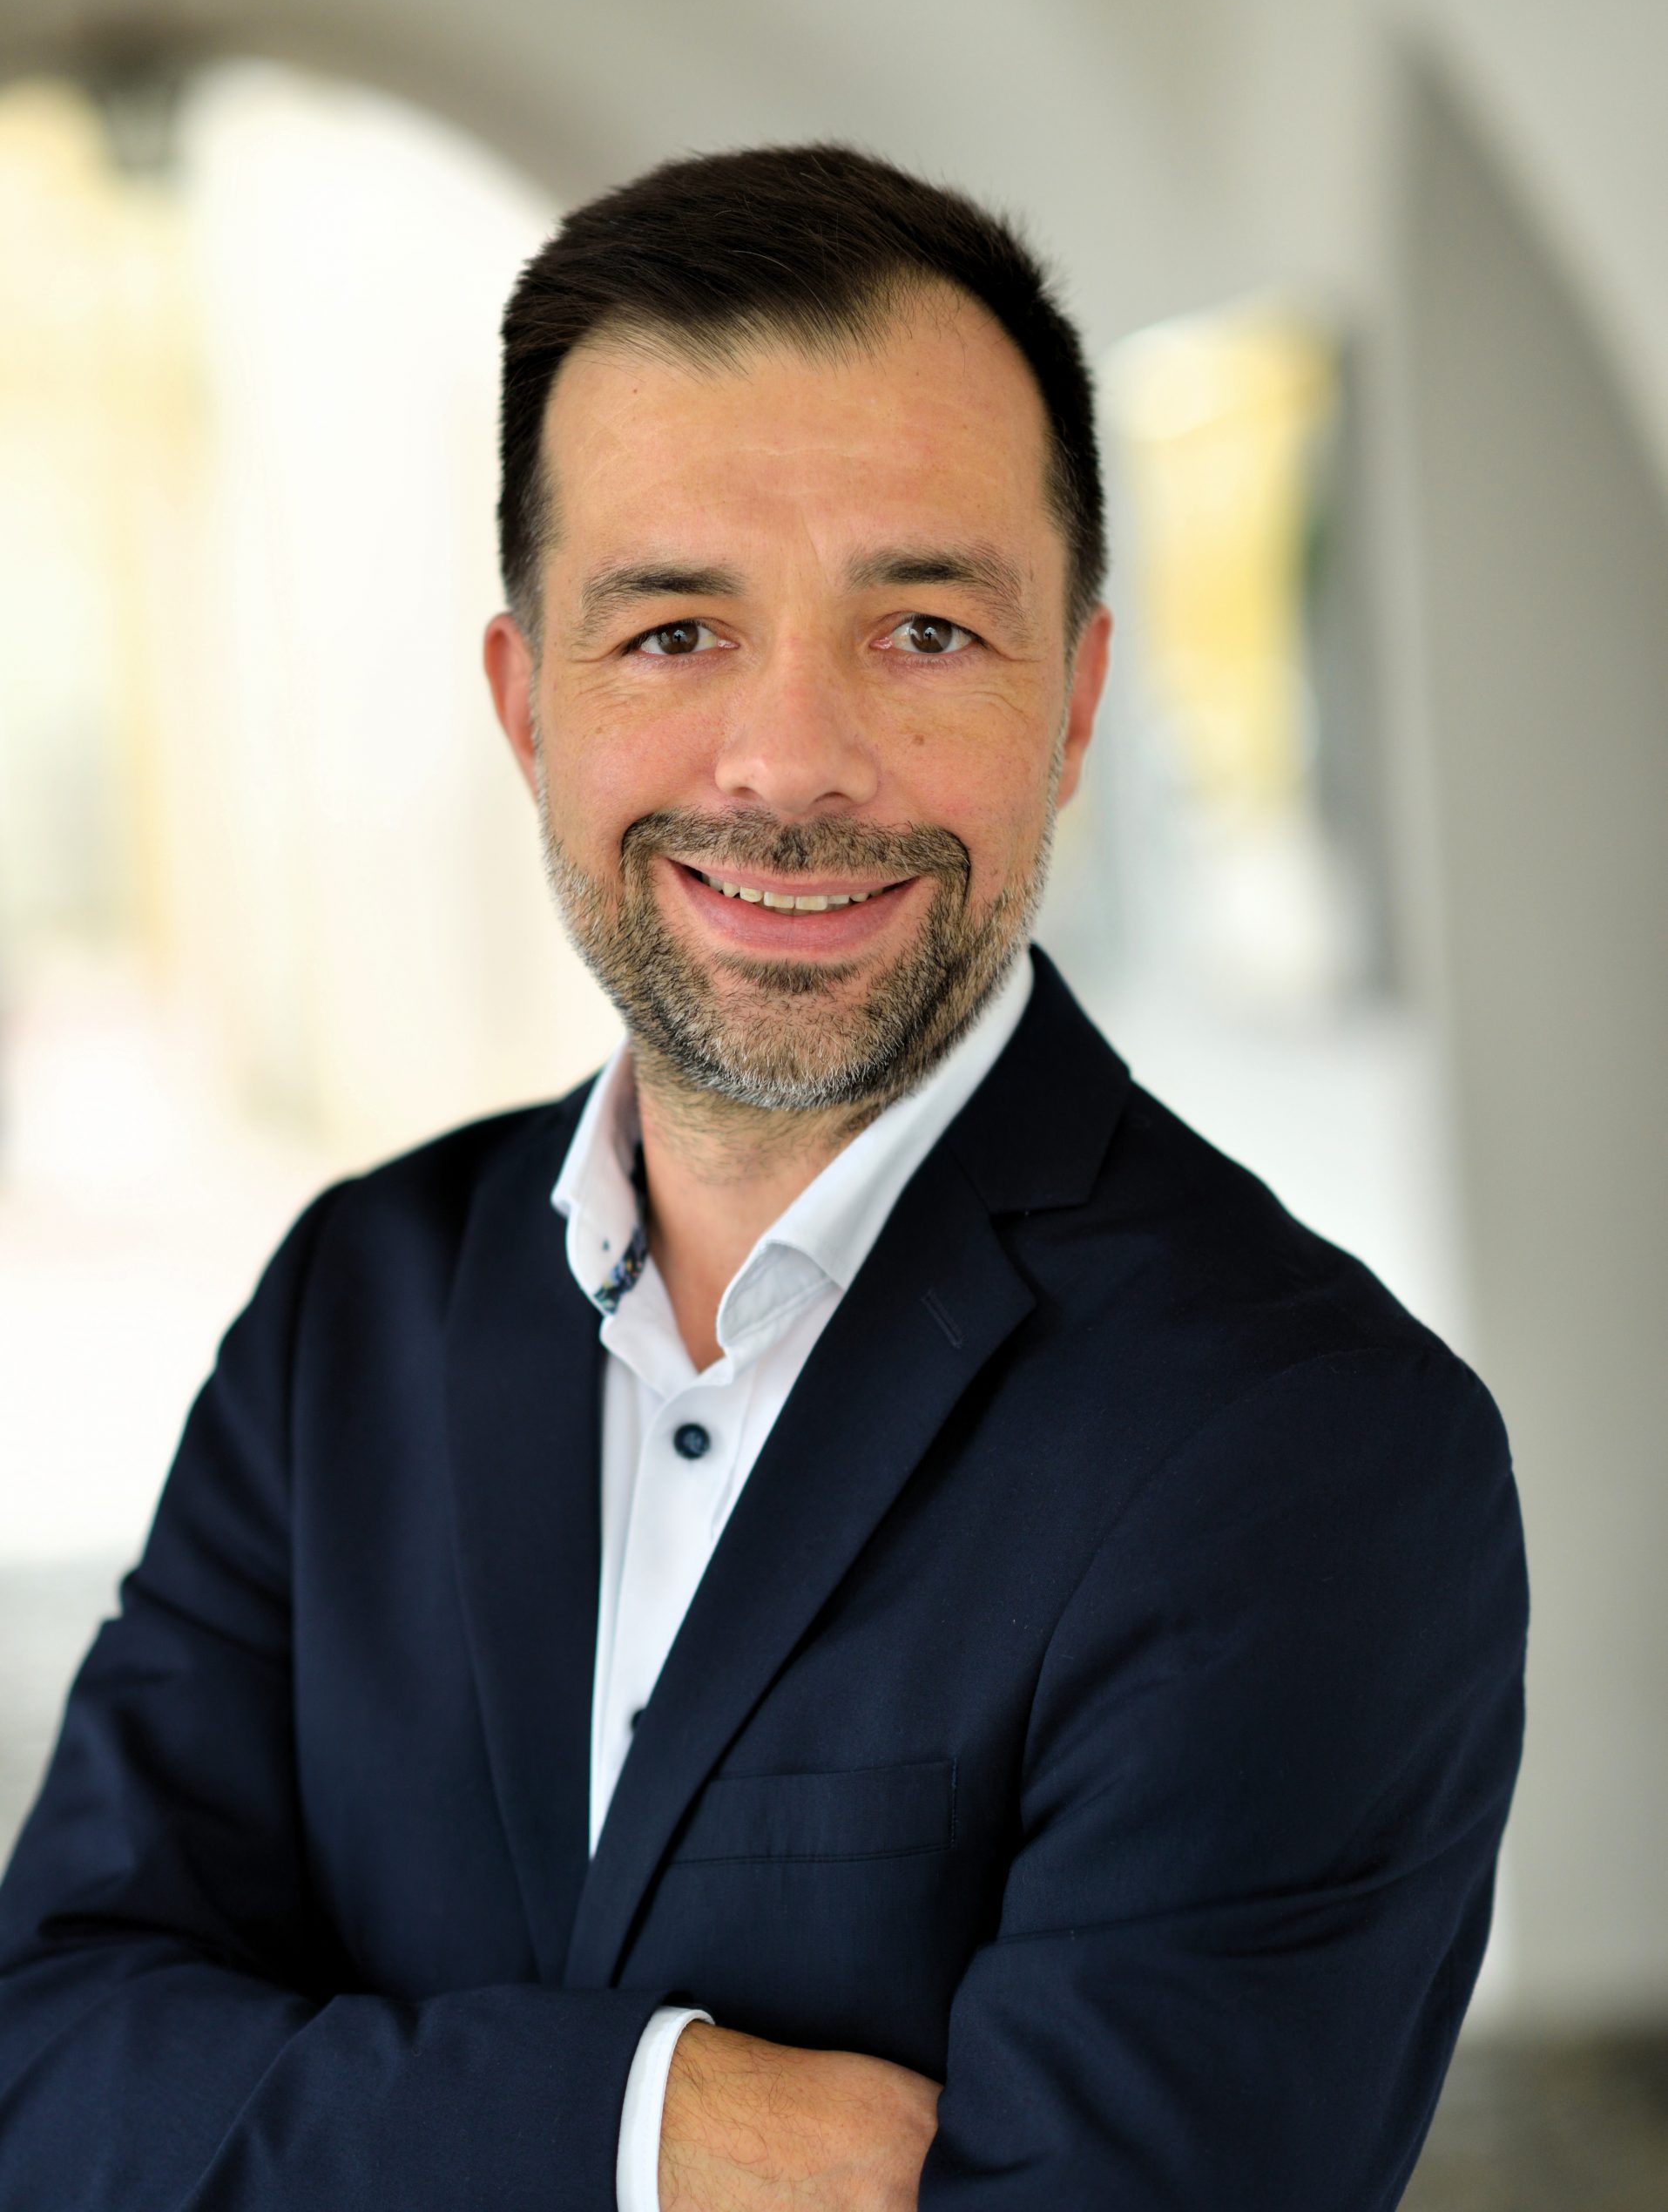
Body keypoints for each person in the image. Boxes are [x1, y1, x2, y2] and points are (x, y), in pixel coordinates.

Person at [0, 144, 1526, 2211]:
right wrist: (639, 2125)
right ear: (525, 702)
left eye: (922, 627)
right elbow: (48, 2064)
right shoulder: (348, 1308)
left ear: (1076, 700)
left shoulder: (1312, 1447)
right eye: (672, 632)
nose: (789, 760)